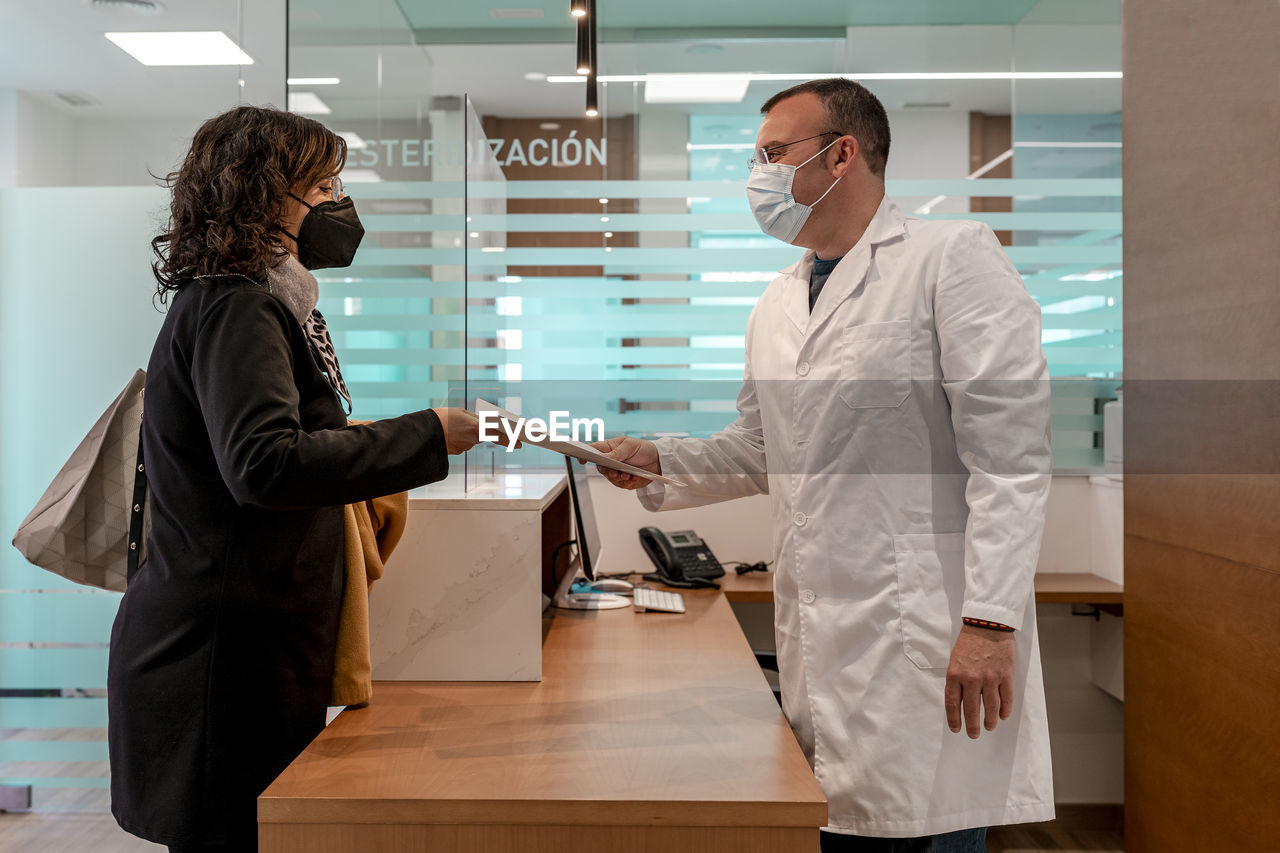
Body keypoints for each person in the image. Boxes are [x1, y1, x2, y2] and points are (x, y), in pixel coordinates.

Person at [594, 79, 1054, 852]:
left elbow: (1009, 460)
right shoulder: (776, 302)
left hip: (929, 639)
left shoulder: (951, 261)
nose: (759, 175)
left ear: (843, 155)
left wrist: (989, 622)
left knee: (922, 827)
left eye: (774, 153)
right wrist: (661, 459)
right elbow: (767, 447)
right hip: (824, 638)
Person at [107, 105, 487, 852]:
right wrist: (428, 433)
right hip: (219, 659)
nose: (338, 202)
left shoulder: (260, 298)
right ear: (260, 193)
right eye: (322, 184)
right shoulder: (236, 303)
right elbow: (266, 463)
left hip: (243, 643)